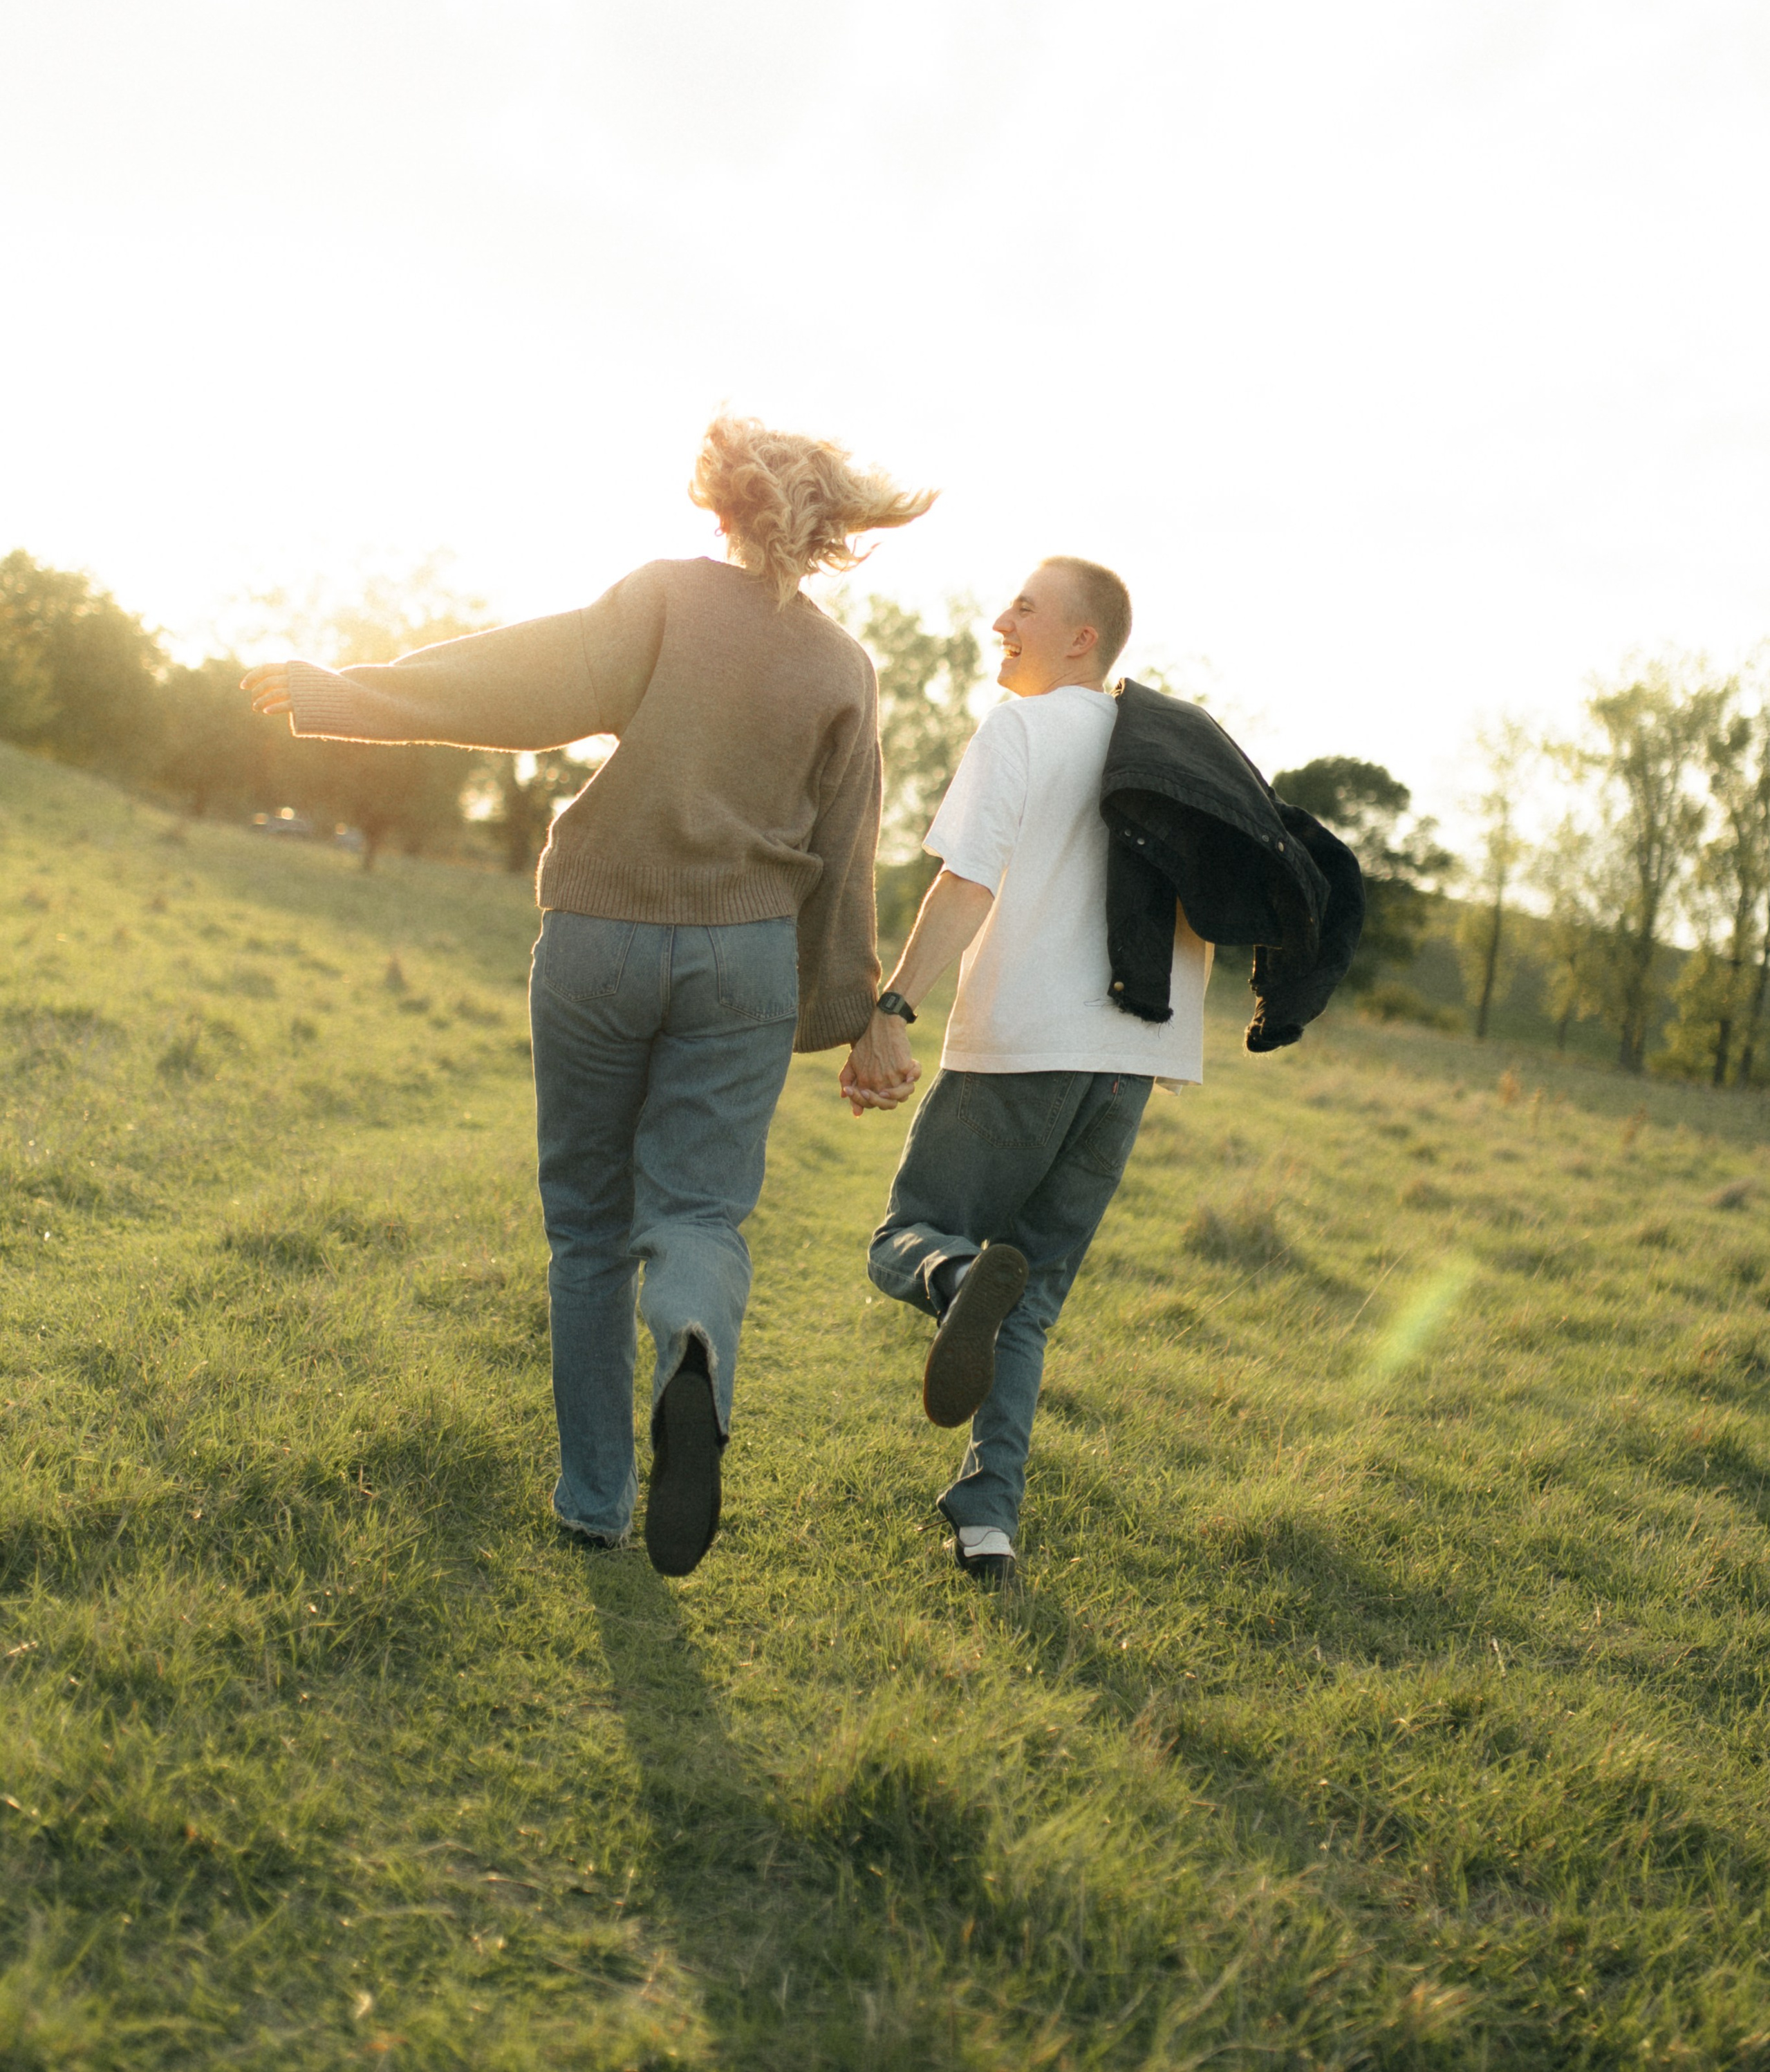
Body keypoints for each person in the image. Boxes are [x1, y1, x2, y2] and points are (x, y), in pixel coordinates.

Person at [244, 418, 931, 1578]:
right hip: (745, 961)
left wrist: (353, 691)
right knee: (699, 1215)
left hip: (602, 934)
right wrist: (855, 1014)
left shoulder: (663, 598)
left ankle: (594, 1502)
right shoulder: (842, 669)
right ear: (832, 534)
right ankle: (694, 1339)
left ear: (724, 503)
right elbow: (846, 852)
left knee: (587, 1228)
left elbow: (527, 680)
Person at [839, 557, 1213, 1590]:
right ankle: (988, 1524)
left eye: (1027, 606)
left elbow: (966, 885)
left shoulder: (1022, 730)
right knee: (1034, 1300)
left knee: (906, 1239)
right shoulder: (1176, 752)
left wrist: (891, 1010)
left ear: (1082, 638)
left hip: (1023, 1046)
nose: (1000, 618)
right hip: (1131, 1064)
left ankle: (958, 1280)